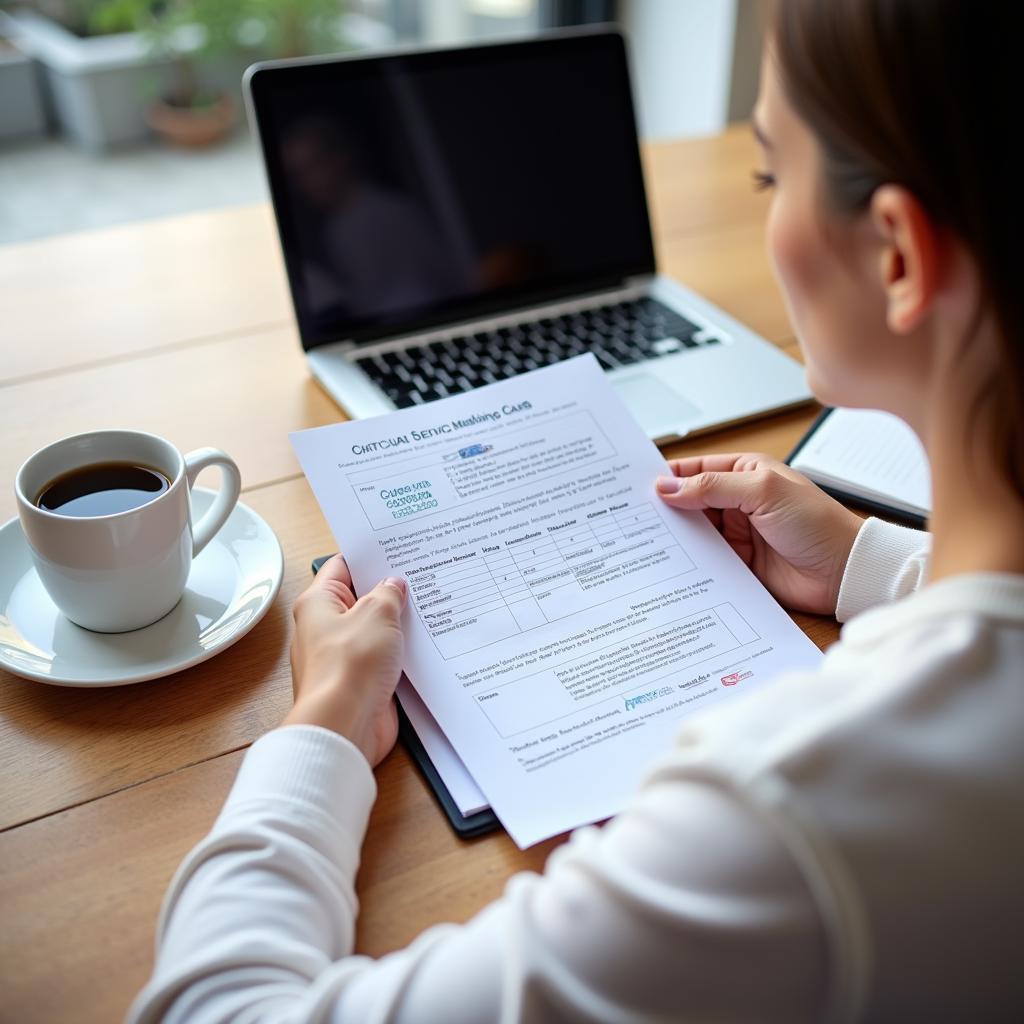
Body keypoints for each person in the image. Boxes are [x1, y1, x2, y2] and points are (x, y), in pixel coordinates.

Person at [129, 1, 1024, 1020]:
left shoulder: (787, 815)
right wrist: (874, 564)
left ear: (898, 257)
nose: (765, 205)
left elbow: (212, 1008)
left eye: (770, 173)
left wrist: (323, 725)